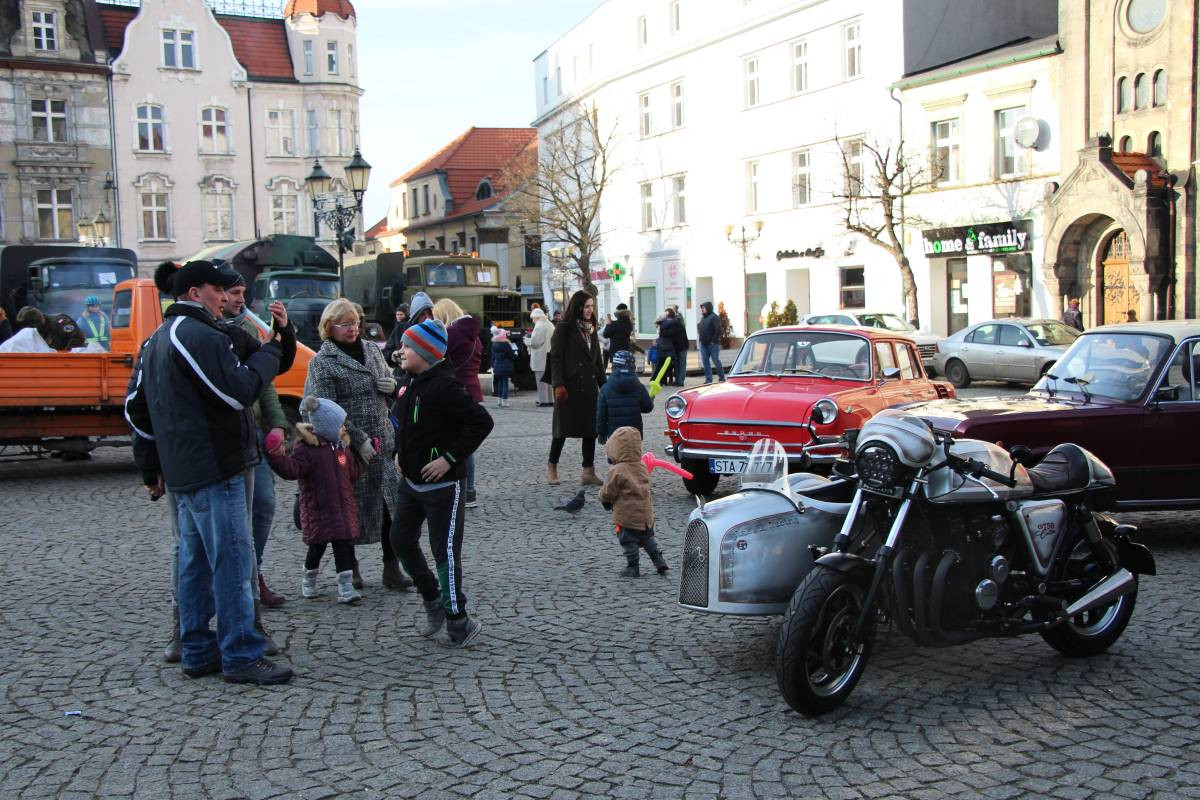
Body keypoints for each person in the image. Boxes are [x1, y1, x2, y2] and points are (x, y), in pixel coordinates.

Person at [125, 259, 292, 685]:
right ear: (195, 292)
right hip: (217, 466)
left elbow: (135, 409)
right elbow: (238, 393)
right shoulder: (198, 335)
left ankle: (197, 649)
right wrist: (270, 352)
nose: (224, 297)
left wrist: (151, 463)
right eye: (217, 290)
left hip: (186, 469)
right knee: (232, 561)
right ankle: (240, 654)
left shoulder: (158, 338)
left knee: (195, 563)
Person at [389, 318, 494, 647]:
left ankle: (458, 620)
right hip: (411, 484)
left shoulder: (447, 388)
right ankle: (431, 597)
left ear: (425, 353)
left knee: (444, 553)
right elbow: (405, 425)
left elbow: (481, 422)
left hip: (443, 487)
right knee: (400, 540)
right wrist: (398, 453)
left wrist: (449, 459)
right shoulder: (409, 382)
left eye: (407, 347)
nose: (400, 351)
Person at [306, 298, 410, 593]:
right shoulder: (322, 362)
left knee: (390, 508)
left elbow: (387, 381)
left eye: (354, 323)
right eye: (344, 324)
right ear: (329, 327)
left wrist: (393, 387)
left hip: (383, 441)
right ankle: (349, 567)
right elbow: (326, 410)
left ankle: (392, 567)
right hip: (349, 448)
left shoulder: (371, 349)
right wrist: (357, 439)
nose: (352, 329)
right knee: (349, 510)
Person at [220, 275, 292, 608]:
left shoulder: (248, 329)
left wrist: (277, 424)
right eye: (234, 292)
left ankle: (255, 572)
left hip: (256, 433)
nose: (240, 298)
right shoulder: (210, 334)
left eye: (243, 292)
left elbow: (265, 383)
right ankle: (238, 584)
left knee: (263, 504)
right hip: (227, 437)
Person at [266, 396, 371, 605]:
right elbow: (291, 470)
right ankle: (309, 578)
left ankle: (345, 586)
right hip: (319, 511)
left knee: (343, 547)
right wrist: (276, 457)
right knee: (317, 548)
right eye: (340, 425)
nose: (344, 428)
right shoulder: (306, 450)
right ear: (327, 427)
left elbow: (351, 473)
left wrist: (365, 460)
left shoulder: (341, 447)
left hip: (342, 510)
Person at [548, 290, 606, 486]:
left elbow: (597, 361)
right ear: (578, 307)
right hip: (568, 387)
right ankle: (552, 466)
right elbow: (555, 358)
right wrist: (558, 384)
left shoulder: (592, 329)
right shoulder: (564, 328)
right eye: (587, 306)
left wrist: (605, 387)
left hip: (589, 387)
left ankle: (588, 470)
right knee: (562, 429)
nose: (590, 310)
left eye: (592, 306)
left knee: (590, 430)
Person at [433, 298, 484, 508]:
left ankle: (463, 490)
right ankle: (469, 490)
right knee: (467, 445)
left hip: (455, 390)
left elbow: (438, 359)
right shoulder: (474, 335)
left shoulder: (451, 334)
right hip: (473, 390)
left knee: (459, 445)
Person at [598, 426, 667, 578]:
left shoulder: (617, 470)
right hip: (645, 516)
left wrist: (603, 499)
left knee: (628, 541)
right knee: (648, 539)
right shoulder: (641, 465)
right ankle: (659, 560)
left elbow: (608, 491)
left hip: (627, 516)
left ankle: (633, 566)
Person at [596, 350, 653, 444]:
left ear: (613, 366)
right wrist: (651, 398)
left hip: (614, 435)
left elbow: (601, 414)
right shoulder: (639, 387)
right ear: (632, 366)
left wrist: (601, 433)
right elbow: (647, 408)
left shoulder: (605, 388)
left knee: (615, 453)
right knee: (633, 453)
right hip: (634, 434)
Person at [386, 292, 433, 372]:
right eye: (422, 314)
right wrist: (394, 356)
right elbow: (386, 352)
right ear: (415, 316)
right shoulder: (401, 329)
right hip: (403, 375)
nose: (427, 317)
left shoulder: (437, 332)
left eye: (429, 313)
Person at [528, 307, 555, 406]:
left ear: (537, 317)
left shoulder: (539, 326)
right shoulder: (550, 324)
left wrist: (528, 342)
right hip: (549, 355)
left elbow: (535, 343)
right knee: (549, 380)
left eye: (533, 318)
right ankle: (551, 400)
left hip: (540, 356)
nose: (533, 321)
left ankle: (543, 400)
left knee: (541, 380)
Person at [697, 301, 726, 384]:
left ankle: (722, 378)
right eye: (702, 308)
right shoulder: (703, 318)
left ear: (708, 308)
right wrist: (700, 340)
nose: (702, 309)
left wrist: (713, 341)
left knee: (716, 360)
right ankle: (708, 379)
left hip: (712, 345)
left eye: (704, 308)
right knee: (705, 362)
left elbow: (718, 330)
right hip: (703, 344)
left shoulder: (714, 317)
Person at [654, 310, 679, 386]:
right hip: (667, 346)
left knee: (661, 364)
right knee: (665, 365)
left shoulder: (661, 324)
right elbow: (670, 334)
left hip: (661, 345)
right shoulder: (671, 324)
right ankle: (662, 380)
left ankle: (660, 380)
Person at [491, 328, 515, 407]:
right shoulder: (505, 344)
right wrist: (515, 355)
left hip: (497, 366)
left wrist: (493, 366)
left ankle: (499, 400)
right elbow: (511, 355)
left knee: (499, 383)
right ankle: (504, 401)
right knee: (505, 384)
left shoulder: (494, 344)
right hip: (505, 366)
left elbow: (493, 357)